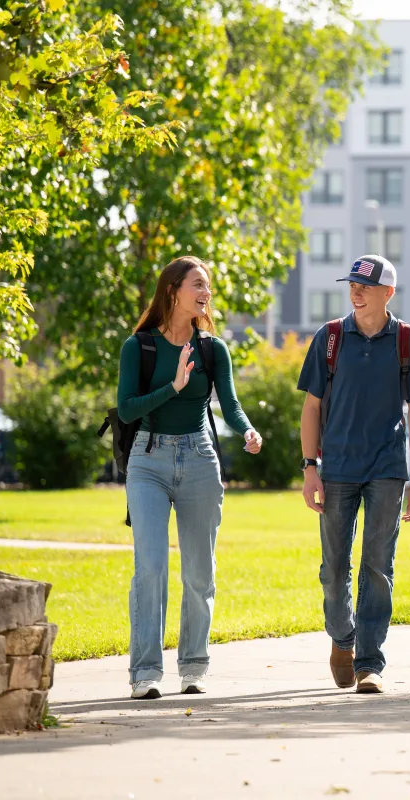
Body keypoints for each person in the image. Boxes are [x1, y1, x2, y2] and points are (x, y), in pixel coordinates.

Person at [117, 255, 263, 700]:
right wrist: (173, 387)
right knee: (151, 567)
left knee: (200, 572)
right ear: (173, 290)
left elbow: (231, 405)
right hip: (148, 460)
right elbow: (127, 409)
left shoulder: (212, 349)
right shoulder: (138, 347)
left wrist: (248, 430)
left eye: (208, 286)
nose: (205, 293)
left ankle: (194, 667)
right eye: (197, 284)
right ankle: (145, 673)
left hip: (200, 459)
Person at [298, 254, 410, 694]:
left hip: (387, 470)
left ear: (387, 292)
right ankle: (342, 638)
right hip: (336, 468)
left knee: (378, 566)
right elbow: (312, 407)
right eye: (352, 284)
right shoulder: (331, 338)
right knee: (333, 569)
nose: (355, 291)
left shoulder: (408, 342)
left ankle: (369, 663)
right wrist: (309, 468)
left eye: (364, 285)